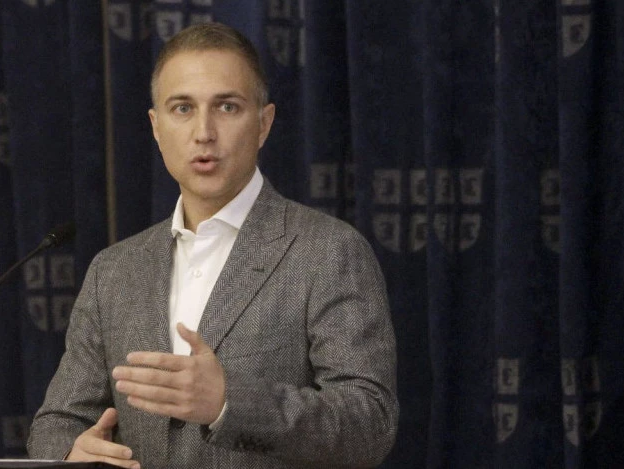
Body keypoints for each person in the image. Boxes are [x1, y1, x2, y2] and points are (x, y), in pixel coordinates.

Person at [27, 22, 398, 468]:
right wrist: (70, 451)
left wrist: (228, 402)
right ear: (156, 127)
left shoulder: (328, 252)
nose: (204, 132)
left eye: (227, 107)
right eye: (183, 108)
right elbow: (56, 422)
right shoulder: (114, 270)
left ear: (263, 124)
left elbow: (369, 424)